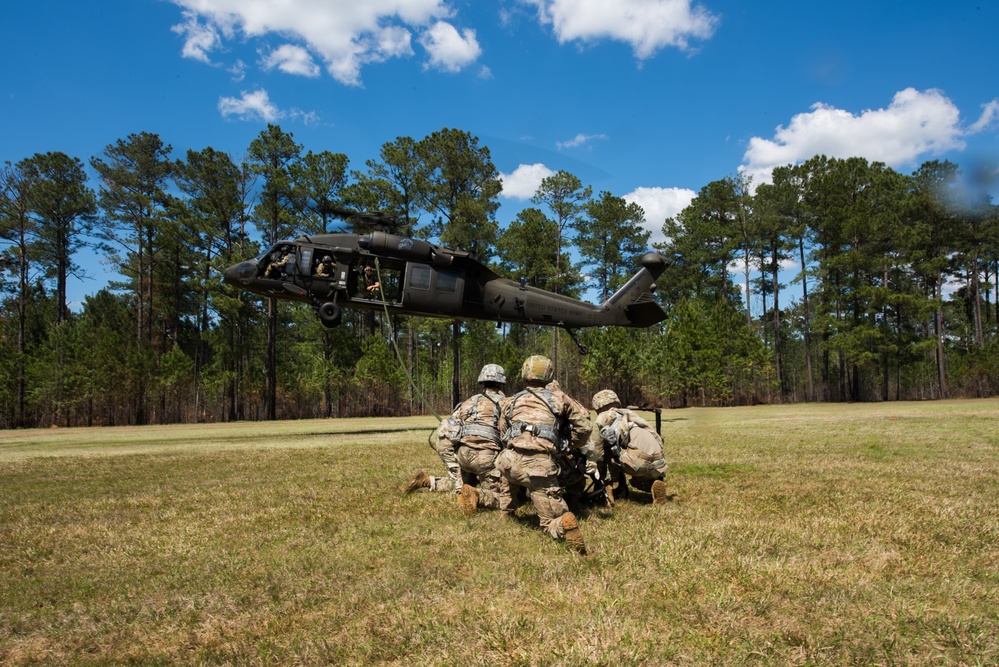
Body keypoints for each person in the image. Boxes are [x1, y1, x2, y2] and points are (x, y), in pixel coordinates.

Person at [494, 355, 592, 555]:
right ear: (549, 375)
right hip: (538, 469)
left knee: (508, 474)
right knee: (551, 520)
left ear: (524, 374)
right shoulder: (560, 398)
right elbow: (584, 428)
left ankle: (506, 513)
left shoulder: (511, 400)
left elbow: (502, 432)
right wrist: (568, 445)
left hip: (509, 463)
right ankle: (561, 527)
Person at [404, 364, 509, 505]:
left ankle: (427, 481)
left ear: (482, 382)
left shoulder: (468, 402)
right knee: (506, 498)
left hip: (463, 457)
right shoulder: (506, 403)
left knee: (464, 483)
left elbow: (449, 430)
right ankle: (478, 498)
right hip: (487, 460)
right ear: (500, 383)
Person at [590, 390, 669, 504]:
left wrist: (597, 470)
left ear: (598, 406)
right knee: (621, 450)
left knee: (607, 450)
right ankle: (654, 483)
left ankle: (608, 491)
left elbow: (597, 452)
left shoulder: (602, 418)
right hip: (659, 462)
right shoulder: (628, 413)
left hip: (638, 463)